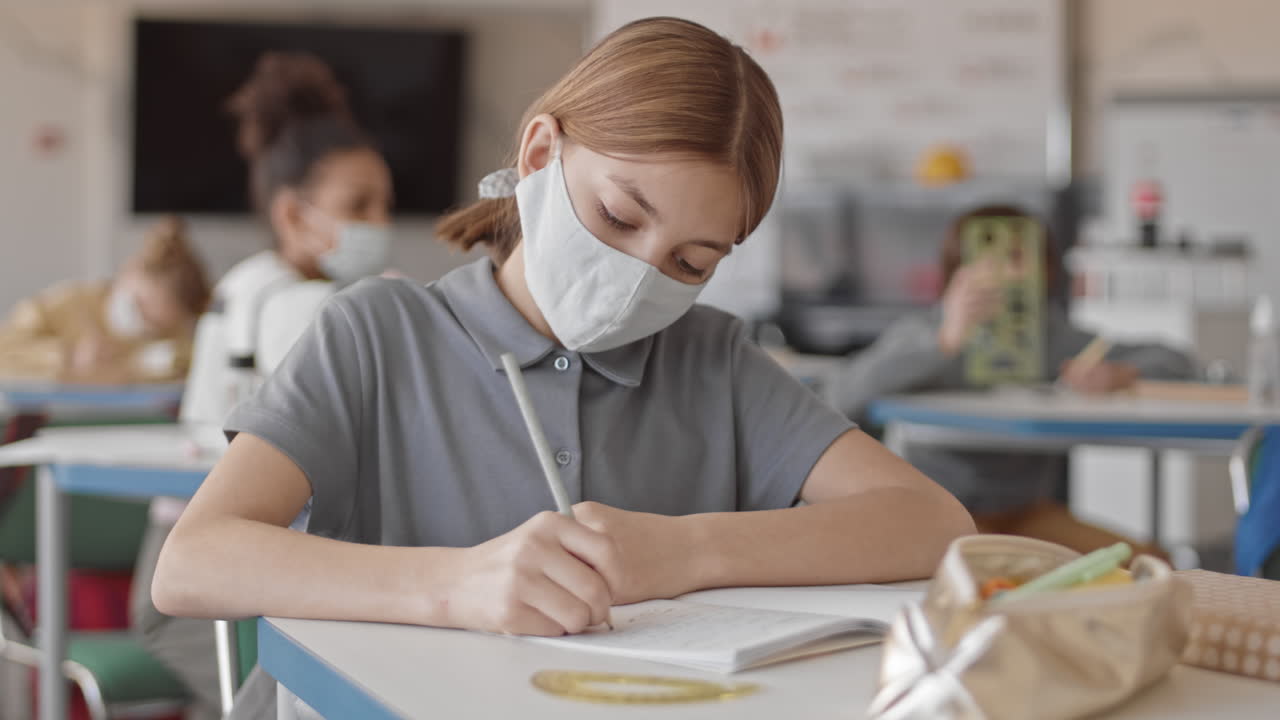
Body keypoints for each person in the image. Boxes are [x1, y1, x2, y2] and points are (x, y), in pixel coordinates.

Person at [151, 18, 973, 717]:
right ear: (541, 153)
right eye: (618, 216)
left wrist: (685, 553)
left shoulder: (712, 361)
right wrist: (458, 586)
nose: (642, 275)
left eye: (691, 263)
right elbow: (195, 563)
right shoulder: (379, 333)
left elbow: (934, 524)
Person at [131, 51, 394, 720]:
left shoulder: (253, 282)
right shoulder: (291, 305)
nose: (378, 223)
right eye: (357, 205)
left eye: (384, 205)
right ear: (293, 214)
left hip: (211, 569)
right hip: (205, 584)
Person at [830, 205, 1193, 558]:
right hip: (937, 514)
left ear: (1045, 270)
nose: (1000, 273)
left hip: (1028, 511)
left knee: (1149, 562)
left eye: (1017, 257)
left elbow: (1173, 358)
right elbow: (841, 396)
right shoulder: (923, 332)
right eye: (982, 257)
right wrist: (944, 341)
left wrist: (1121, 373)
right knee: (997, 573)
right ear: (956, 274)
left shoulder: (1052, 338)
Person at [0, 216, 209, 384]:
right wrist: (67, 355)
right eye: (140, 306)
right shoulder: (63, 303)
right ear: (128, 272)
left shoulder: (175, 332)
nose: (143, 323)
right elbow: (5, 351)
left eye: (154, 324)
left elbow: (192, 361)